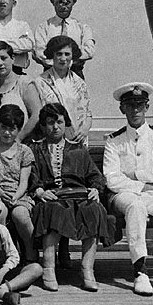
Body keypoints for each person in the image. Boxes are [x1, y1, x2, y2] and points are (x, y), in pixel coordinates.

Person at [103, 82, 153, 296]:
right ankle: (140, 272)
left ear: (147, 107)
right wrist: (146, 184)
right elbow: (113, 180)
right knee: (135, 207)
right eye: (129, 105)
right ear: (122, 109)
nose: (135, 110)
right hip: (124, 196)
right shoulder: (114, 141)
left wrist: (136, 176)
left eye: (139, 104)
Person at [30, 103, 112, 292]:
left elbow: (95, 176)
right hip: (52, 197)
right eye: (50, 123)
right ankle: (49, 269)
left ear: (65, 123)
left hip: (78, 196)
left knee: (94, 210)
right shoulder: (36, 149)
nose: (55, 127)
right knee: (53, 209)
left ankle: (87, 270)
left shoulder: (78, 150)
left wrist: (95, 189)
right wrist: (40, 191)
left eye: (59, 122)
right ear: (43, 125)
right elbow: (32, 176)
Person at [0, 104, 37, 262]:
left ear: (18, 130)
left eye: (12, 129)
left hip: (19, 195)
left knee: (20, 215)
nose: (6, 132)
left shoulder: (25, 151)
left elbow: (24, 182)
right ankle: (5, 251)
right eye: (3, 127)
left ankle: (30, 248)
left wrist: (16, 197)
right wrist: (2, 194)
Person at [25, 35, 91, 146]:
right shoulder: (40, 82)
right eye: (59, 54)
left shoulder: (79, 83)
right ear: (52, 55)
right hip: (52, 139)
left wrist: (85, 129)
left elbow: (88, 112)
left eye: (67, 54)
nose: (63, 58)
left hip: (78, 139)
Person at [33, 0, 95, 79]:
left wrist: (61, 59)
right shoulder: (43, 28)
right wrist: (70, 59)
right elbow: (40, 52)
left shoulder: (82, 28)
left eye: (67, 3)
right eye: (60, 2)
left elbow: (89, 51)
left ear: (74, 1)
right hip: (50, 76)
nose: (63, 6)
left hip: (75, 74)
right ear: (52, 1)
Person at [0, 41, 41, 142]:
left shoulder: (23, 83)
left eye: (4, 58)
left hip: (20, 144)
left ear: (13, 59)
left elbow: (36, 114)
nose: (0, 63)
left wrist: (19, 137)